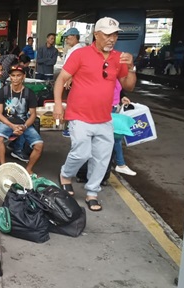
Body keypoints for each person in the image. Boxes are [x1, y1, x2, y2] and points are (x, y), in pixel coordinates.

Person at [52, 17, 137, 212]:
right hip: (79, 114)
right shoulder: (80, 54)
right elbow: (61, 79)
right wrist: (58, 105)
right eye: (107, 34)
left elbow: (128, 86)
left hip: (104, 118)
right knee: (81, 152)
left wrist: (131, 67)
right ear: (96, 35)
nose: (112, 39)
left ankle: (92, 192)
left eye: (115, 35)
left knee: (102, 157)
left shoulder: (120, 58)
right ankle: (66, 175)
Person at [0, 65, 43, 174]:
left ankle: (29, 169)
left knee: (39, 145)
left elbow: (33, 115)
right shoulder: (3, 91)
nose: (15, 78)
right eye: (13, 75)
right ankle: (3, 166)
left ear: (23, 77)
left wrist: (24, 126)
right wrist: (12, 126)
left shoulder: (29, 93)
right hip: (6, 122)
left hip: (24, 123)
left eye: (18, 75)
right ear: (10, 77)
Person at [60, 27, 85, 138]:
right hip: (69, 80)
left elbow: (79, 68)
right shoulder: (73, 49)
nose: (66, 39)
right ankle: (71, 126)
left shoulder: (79, 50)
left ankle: (72, 128)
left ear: (75, 37)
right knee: (70, 103)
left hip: (74, 82)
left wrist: (71, 78)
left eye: (68, 37)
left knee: (74, 105)